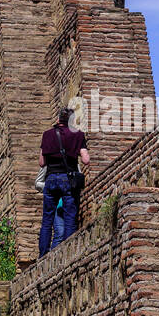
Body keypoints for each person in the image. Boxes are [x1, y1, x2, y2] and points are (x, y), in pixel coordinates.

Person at [38, 107, 89, 256]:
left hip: (51, 179)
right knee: (70, 217)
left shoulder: (47, 135)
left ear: (58, 119)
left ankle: (43, 254)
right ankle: (68, 253)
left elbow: (42, 163)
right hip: (68, 179)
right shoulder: (78, 135)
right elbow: (86, 160)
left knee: (47, 218)